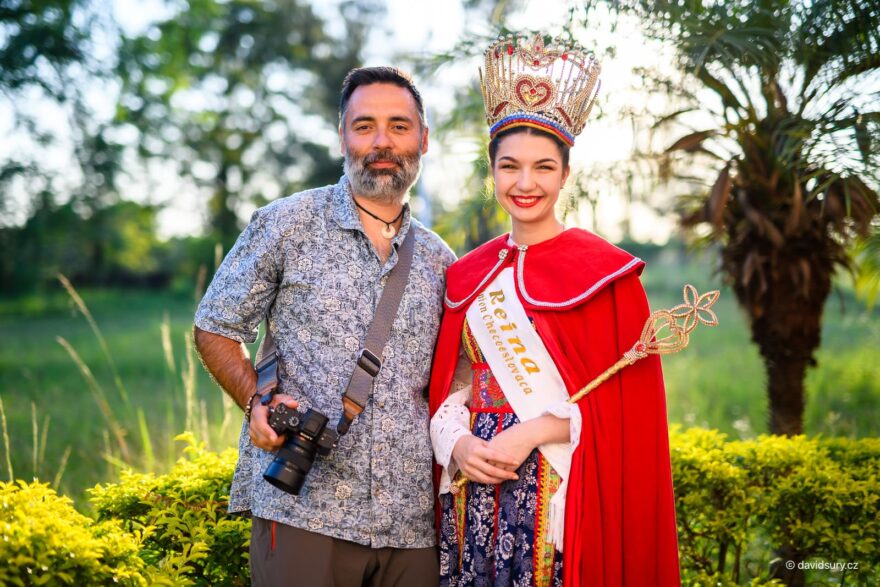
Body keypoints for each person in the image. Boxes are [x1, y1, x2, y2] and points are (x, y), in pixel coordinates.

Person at [428, 34, 681, 586]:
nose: (525, 184)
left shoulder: (605, 275)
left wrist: (534, 430)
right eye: (509, 166)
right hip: (473, 487)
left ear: (565, 174)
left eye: (543, 167)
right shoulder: (467, 274)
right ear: (491, 172)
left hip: (560, 485)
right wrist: (458, 443)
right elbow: (454, 385)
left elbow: (623, 413)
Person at [194, 66, 455, 587]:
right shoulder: (285, 223)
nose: (382, 141)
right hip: (303, 511)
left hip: (411, 524)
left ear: (424, 140)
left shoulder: (442, 261)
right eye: (365, 126)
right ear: (343, 136)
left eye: (399, 126)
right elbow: (215, 325)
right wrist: (255, 401)